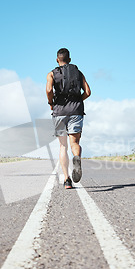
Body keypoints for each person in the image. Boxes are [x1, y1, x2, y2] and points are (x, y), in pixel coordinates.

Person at [46, 48, 91, 189]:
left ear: (57, 60)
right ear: (69, 59)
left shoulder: (52, 74)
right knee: (74, 143)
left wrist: (51, 103)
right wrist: (78, 100)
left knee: (63, 146)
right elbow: (88, 92)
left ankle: (66, 180)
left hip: (59, 112)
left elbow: (48, 90)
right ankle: (76, 158)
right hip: (76, 111)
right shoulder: (78, 72)